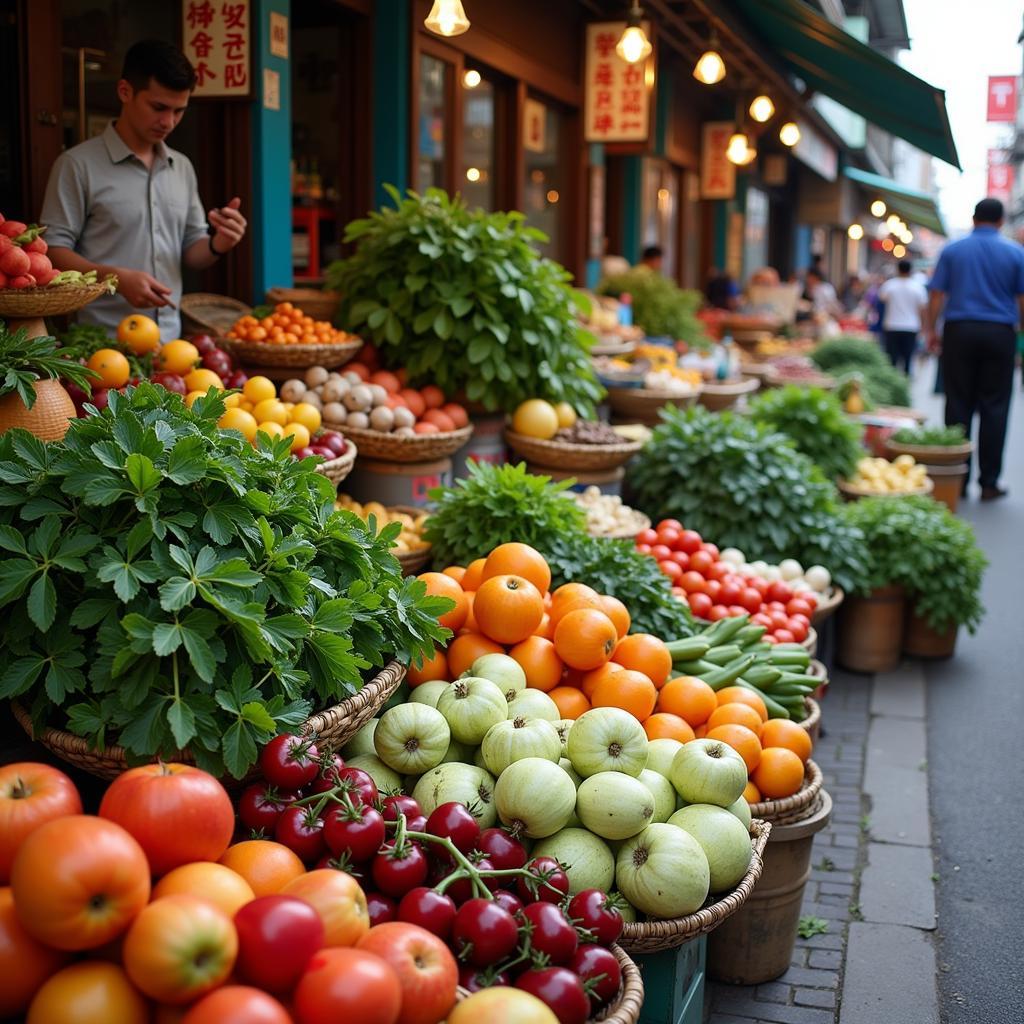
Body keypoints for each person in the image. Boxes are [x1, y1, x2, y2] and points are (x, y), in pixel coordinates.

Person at [41, 39, 248, 342]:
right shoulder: (76, 165)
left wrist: (219, 243)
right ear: (125, 91)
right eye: (159, 107)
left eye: (179, 111)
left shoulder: (182, 168)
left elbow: (193, 251)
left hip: (171, 344)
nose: (168, 122)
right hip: (100, 343)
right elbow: (53, 252)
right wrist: (115, 279)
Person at [926, 197, 1024, 500]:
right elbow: (1022, 300)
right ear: (1000, 221)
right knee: (995, 407)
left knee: (957, 403)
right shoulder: (1016, 253)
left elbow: (937, 295)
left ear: (973, 218)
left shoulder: (953, 250)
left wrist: (931, 330)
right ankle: (989, 482)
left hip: (959, 331)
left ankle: (958, 478)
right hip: (999, 333)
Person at [878, 260, 927, 374]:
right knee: (908, 358)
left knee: (892, 359)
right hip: (911, 326)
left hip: (892, 325)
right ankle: (905, 381)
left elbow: (881, 302)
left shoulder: (889, 285)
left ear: (898, 269)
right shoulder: (918, 287)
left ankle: (893, 383)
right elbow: (922, 309)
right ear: (910, 270)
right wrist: (924, 327)